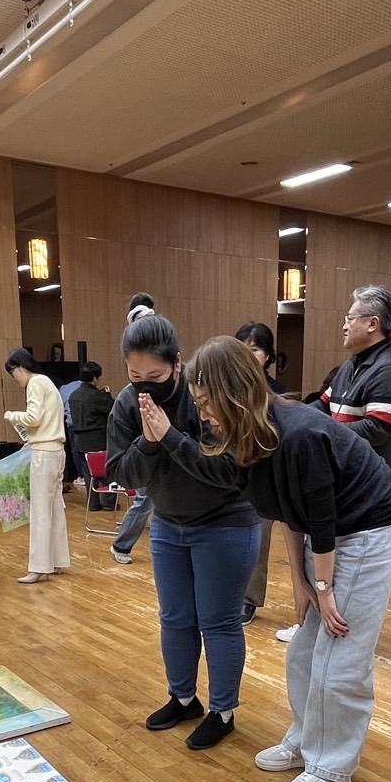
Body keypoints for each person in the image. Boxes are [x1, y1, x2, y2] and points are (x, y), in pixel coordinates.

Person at [188, 336, 391, 782]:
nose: (203, 414)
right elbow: (286, 512)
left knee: (340, 659)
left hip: (367, 530)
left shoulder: (300, 433)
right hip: (326, 536)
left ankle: (332, 766)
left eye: (206, 403)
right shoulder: (250, 438)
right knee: (303, 653)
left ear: (232, 393)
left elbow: (322, 520)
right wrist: (300, 583)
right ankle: (308, 739)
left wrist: (324, 589)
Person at [106, 312, 260, 750]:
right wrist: (148, 441)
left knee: (218, 621)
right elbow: (123, 473)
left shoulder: (205, 393)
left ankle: (223, 711)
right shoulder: (127, 404)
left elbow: (227, 470)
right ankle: (184, 698)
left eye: (155, 376)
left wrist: (170, 436)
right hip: (169, 523)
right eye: (135, 377)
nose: (145, 386)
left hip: (225, 523)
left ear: (177, 362)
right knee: (174, 618)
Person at [320, 286, 391, 472]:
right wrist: (293, 415)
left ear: (372, 324)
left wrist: (324, 429)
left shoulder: (387, 370)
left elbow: (376, 429)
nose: (344, 327)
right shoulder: (350, 365)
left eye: (350, 319)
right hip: (346, 474)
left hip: (370, 481)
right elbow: (323, 405)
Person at [3, 348, 70, 584]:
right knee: (55, 509)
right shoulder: (47, 382)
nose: (15, 379)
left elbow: (33, 418)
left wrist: (12, 415)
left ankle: (39, 567)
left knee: (41, 511)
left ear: (20, 367)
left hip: (44, 453)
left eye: (13, 373)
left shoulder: (35, 382)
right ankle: (58, 560)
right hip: (57, 450)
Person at [235, 322, 281, 624]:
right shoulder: (227, 386)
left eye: (255, 349)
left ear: (268, 355)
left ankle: (249, 599)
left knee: (258, 540)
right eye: (242, 349)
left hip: (263, 474)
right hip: (228, 474)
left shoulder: (276, 393)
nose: (248, 355)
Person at [110, 294, 157, 565]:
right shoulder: (128, 397)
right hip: (141, 451)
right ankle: (121, 544)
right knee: (144, 500)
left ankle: (122, 544)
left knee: (151, 501)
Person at [69, 361, 115, 511]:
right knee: (106, 471)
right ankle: (108, 502)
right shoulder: (97, 395)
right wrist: (107, 394)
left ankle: (93, 504)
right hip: (98, 438)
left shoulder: (73, 396)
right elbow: (111, 409)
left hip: (79, 439)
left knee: (89, 474)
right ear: (95, 378)